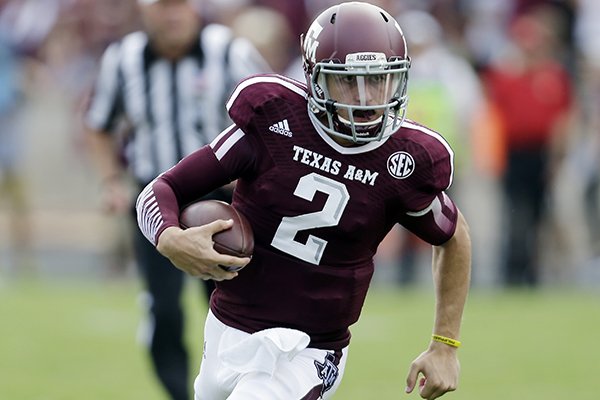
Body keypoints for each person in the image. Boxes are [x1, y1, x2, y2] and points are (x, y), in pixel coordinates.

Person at [136, 2, 471, 400]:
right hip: (227, 329)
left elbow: (453, 237)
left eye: (379, 80)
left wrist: (445, 345)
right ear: (314, 77)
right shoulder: (274, 121)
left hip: (307, 349)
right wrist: (170, 237)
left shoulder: (405, 160)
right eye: (348, 82)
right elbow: (162, 190)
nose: (366, 99)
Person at [84, 0, 270, 399]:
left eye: (179, 5)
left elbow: (273, 114)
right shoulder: (123, 58)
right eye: (162, 7)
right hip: (154, 198)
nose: (172, 15)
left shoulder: (229, 50)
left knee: (233, 306)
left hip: (222, 200)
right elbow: (98, 124)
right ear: (145, 11)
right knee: (163, 308)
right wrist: (110, 181)